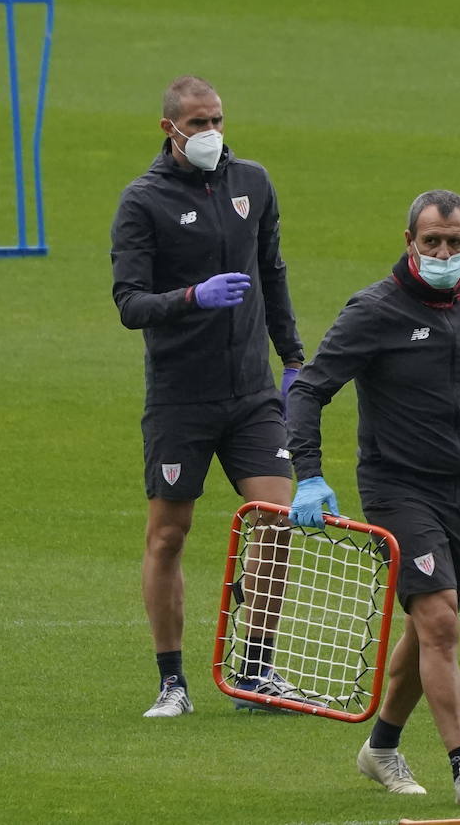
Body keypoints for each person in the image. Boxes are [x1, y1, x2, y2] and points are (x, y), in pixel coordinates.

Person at [285, 189, 460, 807]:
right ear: (409, 242)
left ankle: (380, 746)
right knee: (439, 621)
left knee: (431, 624)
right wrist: (308, 473)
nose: (441, 252)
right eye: (430, 241)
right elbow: (308, 391)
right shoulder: (374, 311)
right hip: (395, 487)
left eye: (453, 243)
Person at [111, 75, 311, 718]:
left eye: (218, 120)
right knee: (169, 535)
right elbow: (129, 304)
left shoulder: (253, 183)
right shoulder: (142, 202)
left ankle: (255, 670)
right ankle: (173, 682)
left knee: (276, 522)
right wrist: (192, 298)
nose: (210, 134)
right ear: (168, 129)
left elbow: (272, 272)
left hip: (251, 393)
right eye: (197, 124)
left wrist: (294, 359)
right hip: (180, 399)